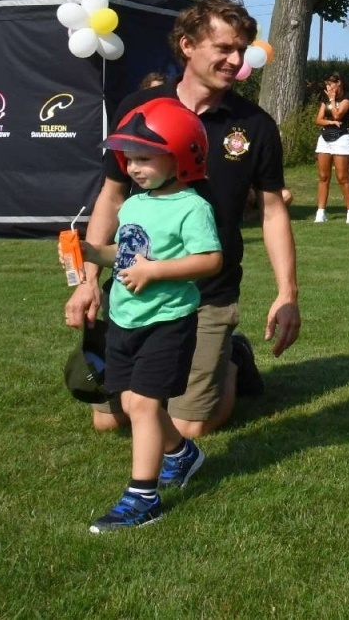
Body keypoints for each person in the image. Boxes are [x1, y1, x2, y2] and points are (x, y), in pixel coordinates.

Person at [69, 0, 300, 439]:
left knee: (187, 426)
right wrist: (87, 282)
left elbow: (273, 212)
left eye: (242, 49)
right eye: (224, 48)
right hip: (140, 286)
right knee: (108, 420)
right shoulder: (140, 107)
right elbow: (113, 195)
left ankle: (230, 363)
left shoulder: (255, 125)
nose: (237, 60)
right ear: (188, 45)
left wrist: (287, 293)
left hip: (207, 292)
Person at [81, 98, 222, 532]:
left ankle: (143, 497)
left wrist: (155, 271)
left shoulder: (192, 207)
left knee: (143, 403)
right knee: (127, 401)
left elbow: (210, 260)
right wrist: (90, 253)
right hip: (126, 318)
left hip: (167, 320)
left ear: (181, 157)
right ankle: (181, 453)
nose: (134, 167)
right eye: (130, 158)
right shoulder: (135, 204)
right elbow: (123, 254)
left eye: (145, 157)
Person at [314, 72, 349, 223]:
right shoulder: (325, 98)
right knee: (324, 177)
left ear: (339, 83)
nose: (328, 87)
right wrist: (330, 123)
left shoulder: (348, 98)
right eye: (326, 84)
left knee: (342, 177)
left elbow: (338, 115)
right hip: (325, 138)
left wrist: (332, 100)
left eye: (330, 84)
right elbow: (318, 119)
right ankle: (320, 213)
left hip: (341, 138)